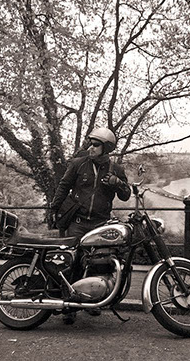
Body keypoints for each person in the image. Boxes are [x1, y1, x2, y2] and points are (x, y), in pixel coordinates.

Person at [50, 127, 131, 324]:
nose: (91, 148)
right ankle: (68, 306)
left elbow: (126, 195)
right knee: (71, 263)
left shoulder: (116, 170)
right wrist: (53, 208)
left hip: (100, 223)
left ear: (106, 148)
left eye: (96, 145)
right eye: (90, 143)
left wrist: (116, 183)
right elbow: (63, 186)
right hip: (77, 222)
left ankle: (92, 302)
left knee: (98, 263)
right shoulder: (78, 164)